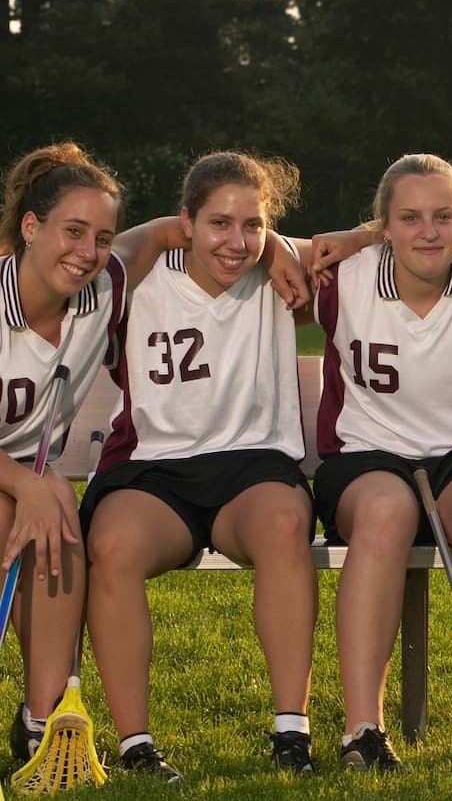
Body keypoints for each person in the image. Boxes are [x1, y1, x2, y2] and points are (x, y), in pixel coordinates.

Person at [80, 151, 318, 783]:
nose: (236, 242)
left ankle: (291, 732)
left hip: (255, 467)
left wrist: (281, 251)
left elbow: (362, 241)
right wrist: (162, 230)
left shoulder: (278, 271)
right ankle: (136, 743)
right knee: (111, 543)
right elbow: (111, 256)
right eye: (218, 223)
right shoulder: (142, 275)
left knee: (284, 526)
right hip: (157, 469)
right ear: (186, 221)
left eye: (251, 226)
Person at [310, 153, 452, 770]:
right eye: (409, 217)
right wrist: (355, 238)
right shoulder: (341, 276)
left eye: (445, 216)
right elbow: (239, 242)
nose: (429, 231)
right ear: (382, 225)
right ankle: (362, 730)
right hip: (364, 454)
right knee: (386, 512)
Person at [0, 144, 124, 774]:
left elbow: (163, 234)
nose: (88, 251)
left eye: (102, 237)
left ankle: (42, 724)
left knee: (59, 523)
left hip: (21, 467)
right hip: (10, 471)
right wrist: (25, 481)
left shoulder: (102, 289)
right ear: (30, 226)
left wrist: (276, 248)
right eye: (72, 231)